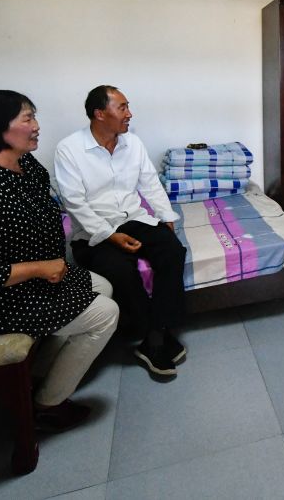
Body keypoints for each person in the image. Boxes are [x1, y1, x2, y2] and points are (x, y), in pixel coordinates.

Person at [0, 90, 119, 432]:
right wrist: (39, 268)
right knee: (105, 314)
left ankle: (37, 376)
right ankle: (46, 406)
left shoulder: (26, 167)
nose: (36, 126)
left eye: (34, 117)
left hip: (37, 280)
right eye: (27, 119)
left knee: (104, 286)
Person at [54, 85, 187, 381]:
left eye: (128, 107)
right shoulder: (69, 149)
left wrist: (166, 216)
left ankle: (157, 332)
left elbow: (150, 183)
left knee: (173, 251)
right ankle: (153, 338)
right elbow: (74, 202)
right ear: (100, 114)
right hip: (92, 230)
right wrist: (109, 235)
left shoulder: (133, 143)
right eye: (122, 107)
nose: (130, 114)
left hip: (133, 217)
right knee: (120, 270)